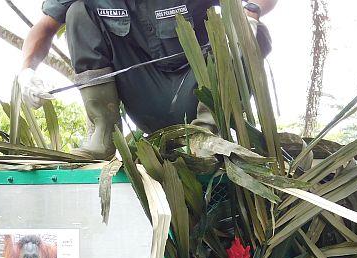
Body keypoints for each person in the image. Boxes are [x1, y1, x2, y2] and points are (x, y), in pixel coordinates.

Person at [16, 1, 276, 159]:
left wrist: (250, 13)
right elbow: (45, 27)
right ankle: (103, 134)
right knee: (77, 12)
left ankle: (206, 135)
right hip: (142, 95)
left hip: (199, 91)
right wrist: (26, 71)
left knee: (254, 31)